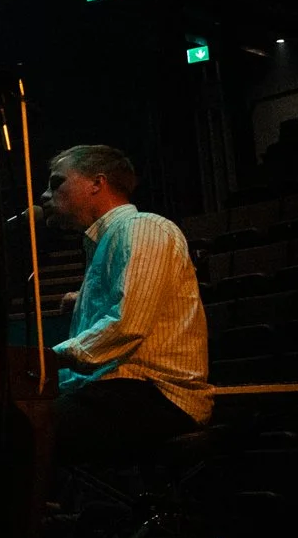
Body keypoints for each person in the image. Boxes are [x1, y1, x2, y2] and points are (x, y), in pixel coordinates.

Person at [42, 144, 212, 461]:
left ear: (97, 182)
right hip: (120, 393)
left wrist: (47, 360)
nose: (45, 196)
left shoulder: (142, 228)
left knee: (24, 429)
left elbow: (126, 327)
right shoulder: (107, 242)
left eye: (56, 183)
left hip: (155, 395)